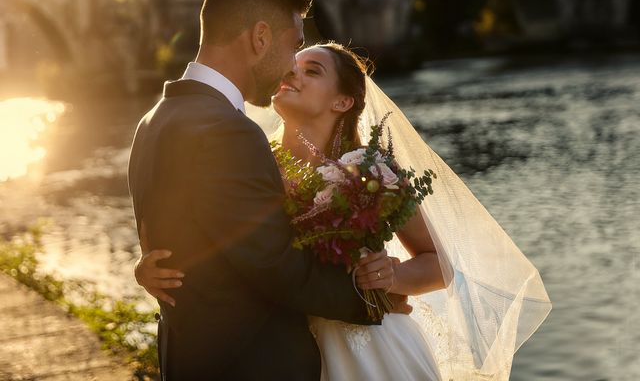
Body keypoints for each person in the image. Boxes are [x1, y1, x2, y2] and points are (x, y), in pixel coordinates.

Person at [138, 41, 552, 380]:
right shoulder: (254, 160)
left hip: (371, 347)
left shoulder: (370, 170)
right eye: (292, 64)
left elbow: (440, 264)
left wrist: (394, 275)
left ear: (342, 102)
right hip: (283, 347)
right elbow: (225, 241)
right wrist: (148, 267)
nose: (292, 73)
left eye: (312, 70)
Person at [128, 0, 409, 381]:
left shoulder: (153, 120)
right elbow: (273, 264)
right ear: (260, 38)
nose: (292, 67)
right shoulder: (227, 131)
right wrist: (371, 299)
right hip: (251, 365)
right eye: (293, 45)